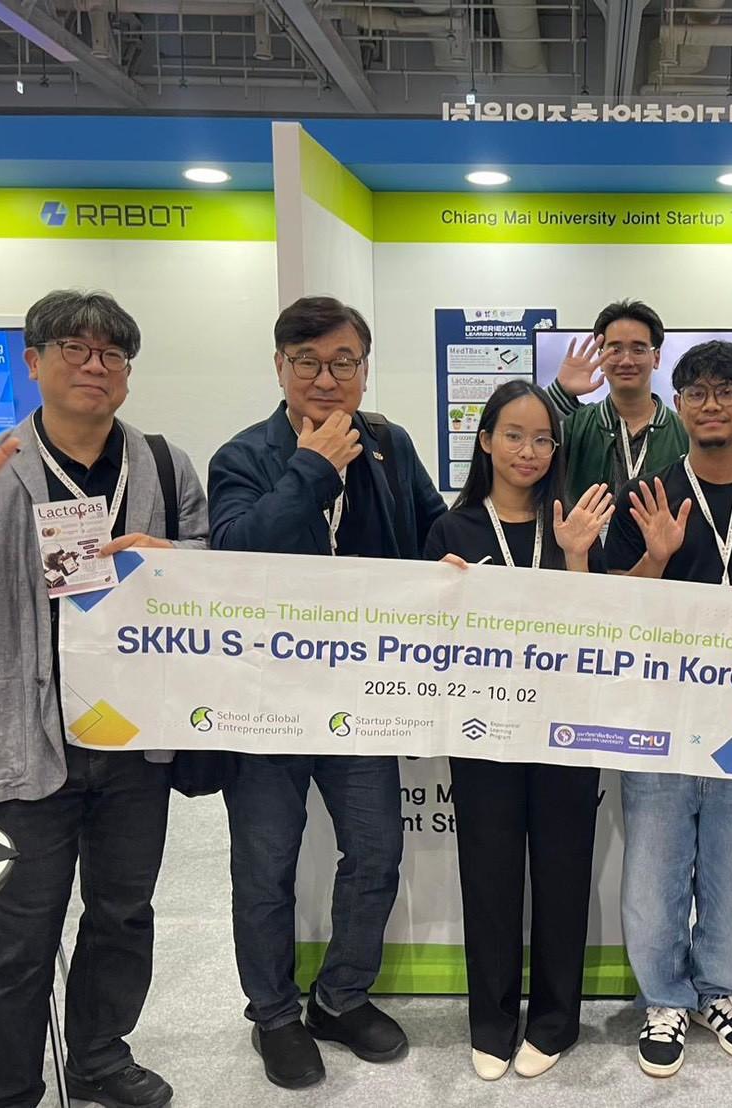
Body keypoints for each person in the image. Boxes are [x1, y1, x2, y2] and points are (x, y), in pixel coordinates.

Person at [0, 290, 208, 1108]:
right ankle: (5, 1093)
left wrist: (170, 562)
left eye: (112, 354)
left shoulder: (163, 464)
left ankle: (99, 1056)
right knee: (20, 932)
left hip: (131, 737)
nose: (95, 366)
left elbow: (208, 577)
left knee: (123, 914)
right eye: (74, 348)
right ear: (33, 362)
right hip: (23, 741)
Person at [208, 296, 446, 1090]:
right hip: (264, 702)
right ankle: (274, 1015)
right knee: (264, 868)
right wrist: (311, 469)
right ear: (279, 366)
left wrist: (461, 560)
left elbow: (432, 528)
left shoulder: (388, 444)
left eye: (343, 361)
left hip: (362, 696)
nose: (325, 377)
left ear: (364, 369)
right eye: (306, 361)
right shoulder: (244, 456)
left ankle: (340, 998)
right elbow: (234, 553)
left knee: (376, 852)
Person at [605, 340, 732, 1078]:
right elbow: (611, 609)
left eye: (727, 390)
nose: (711, 403)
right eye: (695, 391)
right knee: (654, 866)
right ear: (678, 403)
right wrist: (656, 557)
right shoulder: (648, 495)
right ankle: (663, 998)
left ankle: (724, 990)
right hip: (659, 713)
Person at [424, 380, 614, 1082]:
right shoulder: (451, 530)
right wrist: (438, 593)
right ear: (485, 441)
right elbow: (426, 639)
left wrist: (576, 556)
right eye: (513, 435)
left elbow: (602, 631)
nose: (528, 450)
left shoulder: (574, 521)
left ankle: (555, 1021)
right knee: (489, 875)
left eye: (541, 439)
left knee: (563, 874)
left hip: (566, 727)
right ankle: (492, 1021)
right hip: (484, 731)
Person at [546, 299, 688, 499]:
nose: (626, 361)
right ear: (601, 358)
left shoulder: (684, 431)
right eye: (615, 350)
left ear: (656, 358)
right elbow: (524, 441)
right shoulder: (575, 425)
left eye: (638, 350)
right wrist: (560, 391)